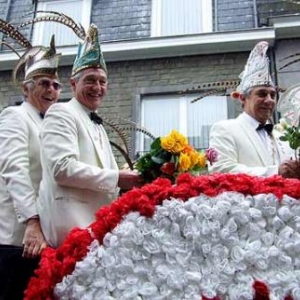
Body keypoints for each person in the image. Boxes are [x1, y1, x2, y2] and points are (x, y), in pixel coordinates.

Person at [37, 24, 142, 248]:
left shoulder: (97, 124)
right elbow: (62, 168)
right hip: (71, 230)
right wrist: (118, 177)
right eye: (90, 80)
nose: (97, 87)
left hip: (98, 233)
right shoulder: (61, 112)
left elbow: (110, 182)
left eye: (102, 81)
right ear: (73, 84)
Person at [0, 36, 61, 300]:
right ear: (26, 89)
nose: (51, 90)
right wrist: (32, 221)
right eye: (44, 84)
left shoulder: (50, 125)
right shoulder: (15, 116)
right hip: (16, 238)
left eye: (56, 85)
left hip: (41, 241)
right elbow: (14, 168)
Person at [208, 41, 300, 178]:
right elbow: (221, 169)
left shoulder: (283, 137)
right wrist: (275, 172)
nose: (269, 100)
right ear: (243, 98)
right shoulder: (224, 129)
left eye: (273, 95)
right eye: (262, 94)